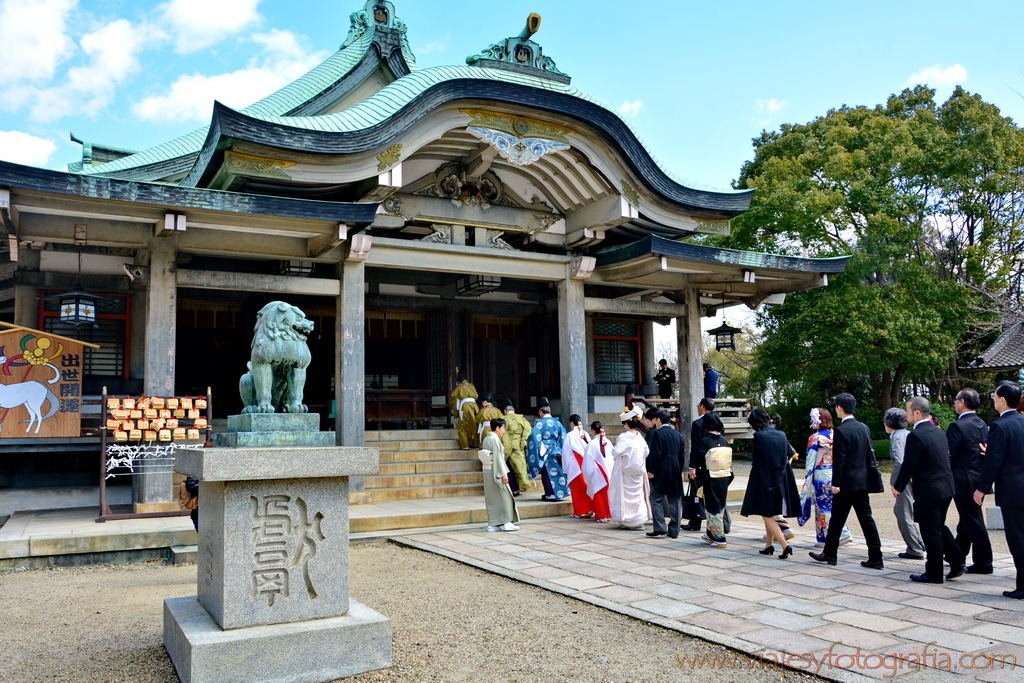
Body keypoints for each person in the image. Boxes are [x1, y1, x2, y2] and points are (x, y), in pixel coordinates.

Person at [892, 397, 963, 583]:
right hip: (946, 488)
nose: (905, 414)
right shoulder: (938, 431)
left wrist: (898, 486)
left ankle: (934, 573)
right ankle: (957, 561)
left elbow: (909, 465)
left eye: (907, 410)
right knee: (938, 526)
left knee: (930, 532)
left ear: (917, 412)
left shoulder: (916, 435)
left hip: (929, 490)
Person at [810, 393, 884, 569]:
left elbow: (840, 460)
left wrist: (835, 484)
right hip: (862, 481)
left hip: (846, 483)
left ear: (839, 408)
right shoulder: (864, 428)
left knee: (836, 518)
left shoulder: (842, 431)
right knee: (867, 519)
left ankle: (830, 553)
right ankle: (876, 556)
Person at [974, 381, 1024, 599]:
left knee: (1018, 540)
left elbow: (993, 461)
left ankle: (1022, 586)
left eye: (995, 396)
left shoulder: (999, 426)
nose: (993, 399)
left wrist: (982, 488)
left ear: (1003, 400)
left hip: (1012, 490)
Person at [741, 409, 800, 558]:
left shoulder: (759, 436)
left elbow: (756, 458)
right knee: (771, 511)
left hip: (763, 478)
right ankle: (769, 544)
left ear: (757, 423)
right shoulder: (782, 435)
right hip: (781, 478)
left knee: (767, 514)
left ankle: (785, 546)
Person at [947, 388, 992, 574]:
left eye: (956, 400)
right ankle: (958, 554)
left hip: (963, 479)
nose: (955, 403)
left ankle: (984, 562)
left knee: (973, 520)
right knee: (966, 520)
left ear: (962, 402)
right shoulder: (982, 423)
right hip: (978, 476)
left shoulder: (957, 427)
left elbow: (949, 455)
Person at [799, 408, 853, 548]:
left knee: (822, 506)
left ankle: (840, 534)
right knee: (834, 506)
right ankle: (832, 536)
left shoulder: (815, 438)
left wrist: (808, 476)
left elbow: (810, 460)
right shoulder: (838, 435)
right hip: (836, 473)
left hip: (821, 474)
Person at [884, 408, 925, 560]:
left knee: (903, 512)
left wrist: (895, 484)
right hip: (915, 477)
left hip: (905, 479)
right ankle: (918, 542)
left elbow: (899, 462)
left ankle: (915, 547)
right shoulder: (907, 434)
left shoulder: (897, 437)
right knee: (903, 510)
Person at [692, 411, 733, 547]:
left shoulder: (705, 441)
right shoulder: (724, 440)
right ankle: (710, 534)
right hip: (724, 475)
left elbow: (699, 458)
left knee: (712, 506)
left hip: (711, 476)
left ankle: (720, 538)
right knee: (718, 504)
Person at [645, 409, 686, 538]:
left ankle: (660, 527)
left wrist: (651, 469)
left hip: (662, 469)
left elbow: (656, 454)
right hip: (675, 468)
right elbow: (682, 455)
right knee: (675, 500)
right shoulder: (678, 435)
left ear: (658, 419)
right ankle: (674, 529)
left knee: (655, 498)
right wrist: (679, 468)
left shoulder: (658, 434)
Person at [610, 405, 652, 530]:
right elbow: (646, 452)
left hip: (626, 472)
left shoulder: (623, 437)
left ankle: (628, 519)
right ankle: (639, 519)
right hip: (638, 471)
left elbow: (615, 453)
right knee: (638, 496)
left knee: (625, 497)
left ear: (626, 424)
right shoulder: (640, 437)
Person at [480, 418, 520, 532]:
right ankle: (507, 522)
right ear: (497, 428)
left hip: (488, 470)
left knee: (492, 499)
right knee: (505, 497)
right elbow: (497, 458)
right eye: (503, 428)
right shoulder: (495, 440)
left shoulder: (487, 438)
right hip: (496, 470)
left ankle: (493, 523)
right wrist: (503, 474)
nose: (504, 431)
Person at [525, 398, 569, 501]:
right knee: (557, 472)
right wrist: (559, 450)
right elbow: (563, 437)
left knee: (547, 473)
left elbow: (534, 439)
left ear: (541, 412)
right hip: (556, 451)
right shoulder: (558, 423)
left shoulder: (539, 424)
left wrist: (540, 450)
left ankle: (550, 494)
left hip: (543, 451)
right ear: (550, 412)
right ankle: (558, 493)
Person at [683, 398, 716, 532]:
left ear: (702, 407)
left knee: (697, 492)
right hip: (715, 463)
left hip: (702, 463)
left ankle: (695, 521)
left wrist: (692, 466)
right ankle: (725, 524)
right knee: (716, 495)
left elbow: (695, 447)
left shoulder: (698, 423)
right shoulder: (718, 422)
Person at [768, 413, 798, 541]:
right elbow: (794, 454)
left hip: (774, 471)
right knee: (775, 502)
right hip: (783, 470)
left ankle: (785, 528)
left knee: (772, 504)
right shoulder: (782, 436)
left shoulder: (769, 436)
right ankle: (774, 531)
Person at [581, 421, 613, 522]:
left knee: (598, 493)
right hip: (608, 470)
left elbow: (587, 460)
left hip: (596, 471)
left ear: (593, 431)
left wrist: (587, 472)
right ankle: (608, 514)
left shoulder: (592, 444)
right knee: (607, 494)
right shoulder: (607, 442)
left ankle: (602, 515)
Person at [500, 400, 533, 495]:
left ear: (505, 411)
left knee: (509, 468)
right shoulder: (523, 419)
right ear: (514, 410)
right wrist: (523, 443)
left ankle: (513, 488)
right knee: (520, 467)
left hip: (508, 445)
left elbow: (503, 434)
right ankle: (521, 486)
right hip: (519, 446)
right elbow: (528, 431)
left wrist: (505, 447)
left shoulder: (503, 419)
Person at [565, 414, 594, 518]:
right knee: (587, 486)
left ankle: (579, 511)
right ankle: (590, 508)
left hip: (575, 465)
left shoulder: (570, 435)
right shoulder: (585, 433)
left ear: (572, 423)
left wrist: (565, 466)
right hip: (586, 463)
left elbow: (566, 452)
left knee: (577, 490)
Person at [450, 376, 479, 450]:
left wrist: (455, 412)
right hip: (474, 406)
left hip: (465, 407)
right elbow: (476, 396)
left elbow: (454, 397)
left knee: (462, 425)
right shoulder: (471, 386)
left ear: (459, 382)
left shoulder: (459, 388)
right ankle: (474, 443)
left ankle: (465, 445)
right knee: (474, 424)